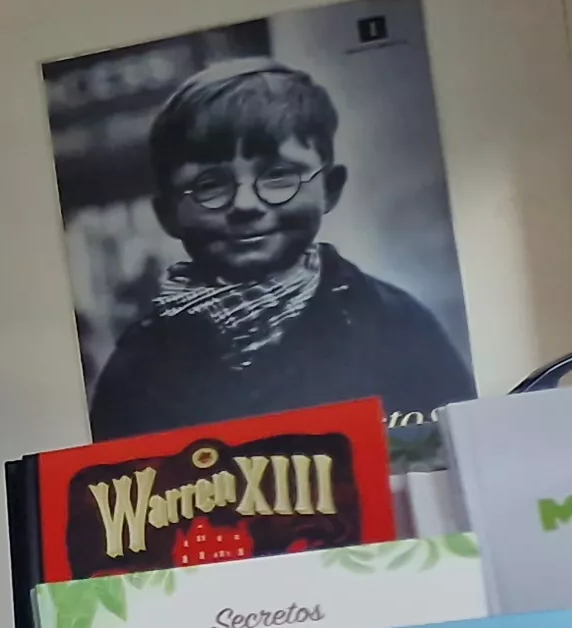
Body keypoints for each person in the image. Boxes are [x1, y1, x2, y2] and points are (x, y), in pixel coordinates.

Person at [85, 56, 475, 440]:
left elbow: (451, 461)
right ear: (168, 213)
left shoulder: (396, 327)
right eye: (210, 185)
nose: (246, 205)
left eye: (278, 175)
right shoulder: (139, 367)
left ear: (330, 188)